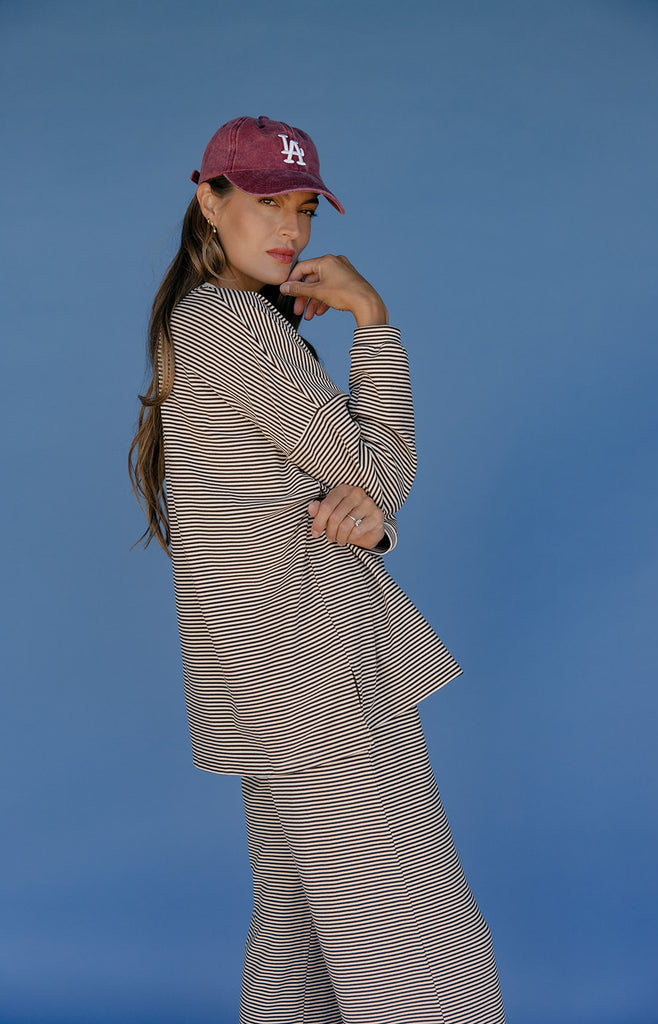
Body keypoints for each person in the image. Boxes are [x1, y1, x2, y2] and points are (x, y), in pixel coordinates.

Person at [129, 114, 505, 1024]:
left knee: (302, 934)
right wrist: (371, 318)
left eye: (301, 206)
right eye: (263, 202)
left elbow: (343, 502)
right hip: (317, 685)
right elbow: (380, 473)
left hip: (277, 686)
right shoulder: (228, 325)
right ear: (207, 200)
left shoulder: (211, 326)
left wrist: (369, 527)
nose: (288, 228)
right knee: (416, 949)